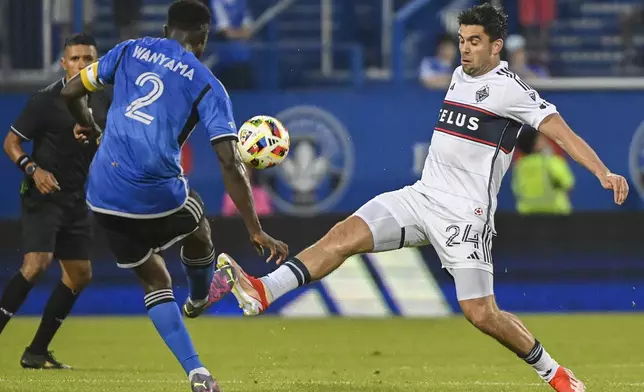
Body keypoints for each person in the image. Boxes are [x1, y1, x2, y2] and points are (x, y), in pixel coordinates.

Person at [215, 4, 629, 392]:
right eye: (463, 39)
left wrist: (602, 171)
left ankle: (554, 373)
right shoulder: (458, 75)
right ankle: (263, 290)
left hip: (465, 216)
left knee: (481, 314)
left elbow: (561, 131)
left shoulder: (511, 90)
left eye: (475, 41)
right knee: (341, 237)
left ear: (496, 46)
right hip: (420, 197)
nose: (465, 48)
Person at [60, 1, 288, 391]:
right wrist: (255, 228)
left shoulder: (129, 49)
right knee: (197, 223)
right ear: (202, 39)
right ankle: (200, 297)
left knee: (153, 278)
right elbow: (230, 161)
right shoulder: (207, 84)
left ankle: (197, 372)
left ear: (167, 29)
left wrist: (90, 125)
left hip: (100, 193)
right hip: (154, 190)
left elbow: (70, 91)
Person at [0, 33, 109, 370]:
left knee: (79, 276)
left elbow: (107, 141)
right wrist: (32, 169)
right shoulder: (45, 100)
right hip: (42, 193)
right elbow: (11, 142)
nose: (80, 64)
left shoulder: (105, 101)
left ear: (96, 63)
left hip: (76, 198)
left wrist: (96, 135)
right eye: (74, 59)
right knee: (36, 264)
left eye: (87, 59)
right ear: (63, 63)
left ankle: (36, 352)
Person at [512, 128, 574, 215]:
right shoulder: (552, 162)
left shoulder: (519, 165)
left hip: (527, 215)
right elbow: (567, 183)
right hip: (556, 214)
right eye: (541, 139)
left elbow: (516, 189)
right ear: (536, 144)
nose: (545, 141)